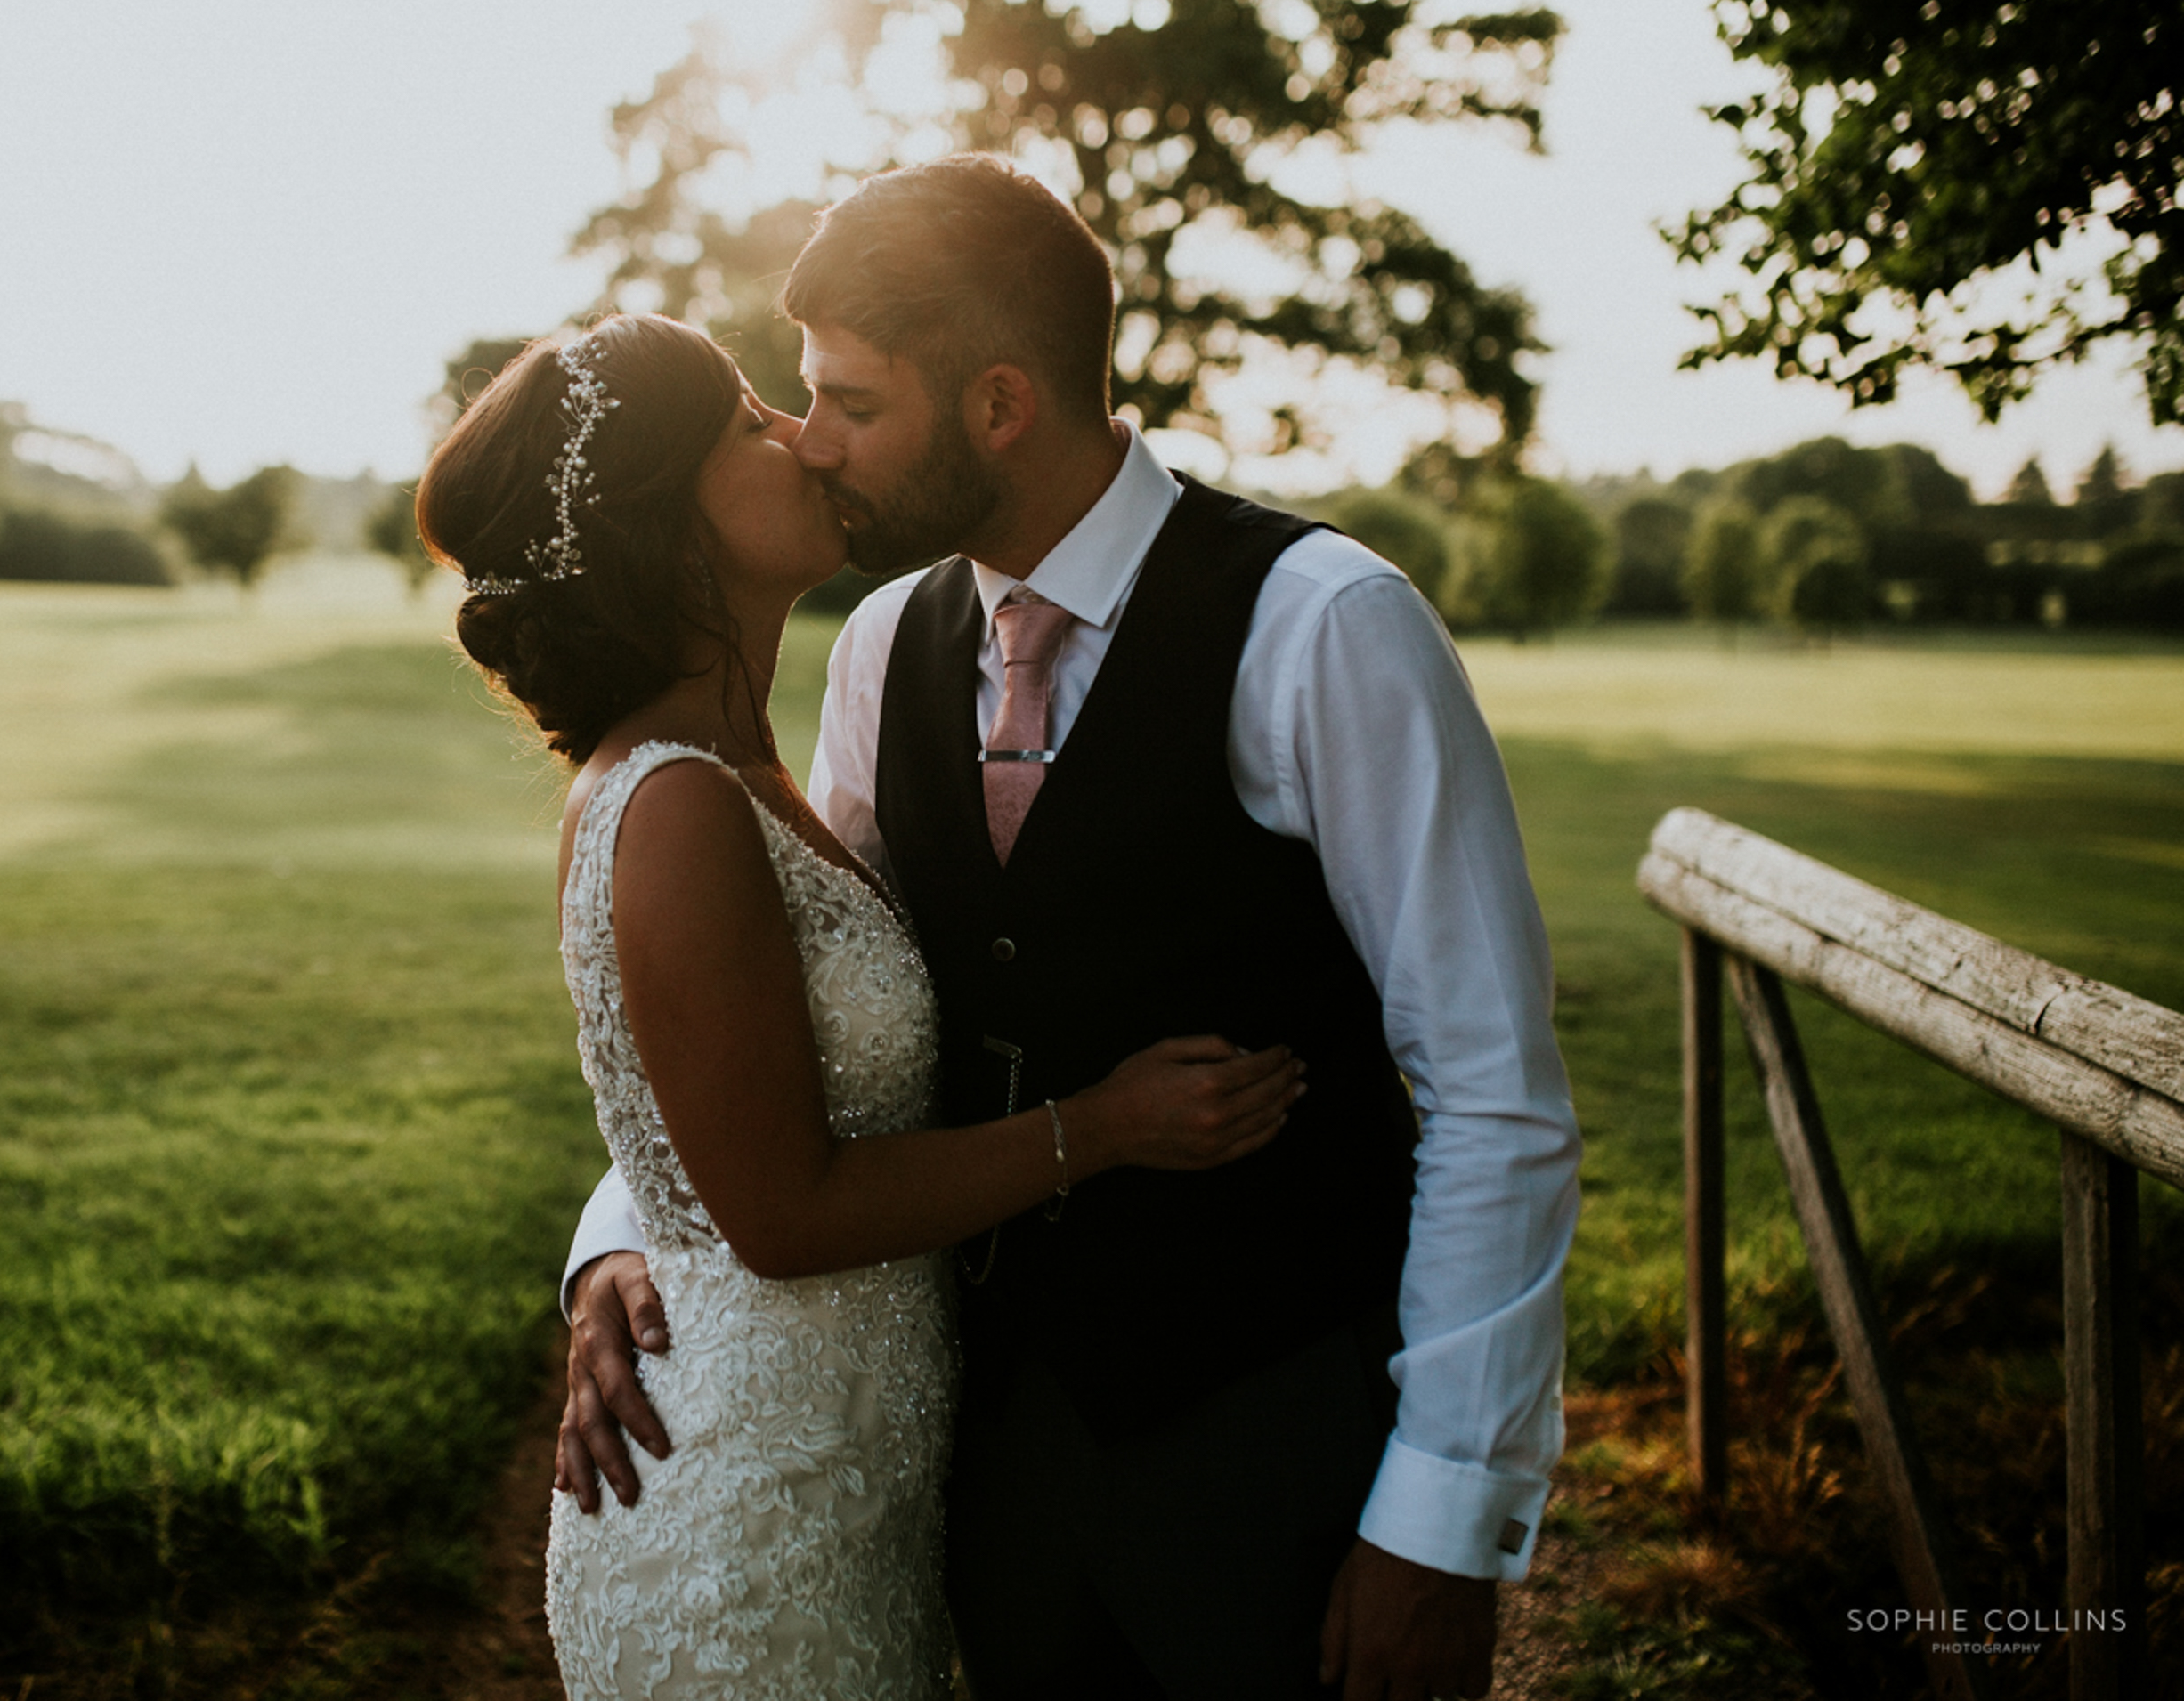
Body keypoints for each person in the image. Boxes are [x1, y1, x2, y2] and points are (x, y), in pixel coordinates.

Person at [558, 157, 1583, 1701]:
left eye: (849, 401)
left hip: (1279, 1442)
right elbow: (789, 1024)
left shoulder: (1326, 625)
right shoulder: (885, 651)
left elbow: (1493, 1088)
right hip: (988, 1468)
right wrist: (623, 1246)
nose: (811, 442)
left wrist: (1447, 1518)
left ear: (997, 406)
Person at [415, 310, 1312, 1700]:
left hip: (841, 1498)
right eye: (750, 424)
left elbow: (715, 1102)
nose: (803, 436)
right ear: (671, 515)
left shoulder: (747, 774)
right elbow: (777, 1212)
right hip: (747, 1527)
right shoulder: (676, 806)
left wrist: (614, 1251)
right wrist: (1106, 1127)